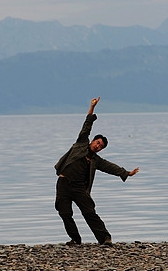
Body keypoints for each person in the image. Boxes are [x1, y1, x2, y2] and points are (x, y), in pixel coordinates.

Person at [54, 97, 139, 246]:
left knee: (89, 213)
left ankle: (105, 238)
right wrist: (92, 107)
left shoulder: (96, 160)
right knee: (65, 213)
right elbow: (86, 126)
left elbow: (110, 167)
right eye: (97, 142)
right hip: (63, 183)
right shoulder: (81, 144)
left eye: (101, 146)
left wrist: (126, 173)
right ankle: (75, 239)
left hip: (80, 188)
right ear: (92, 141)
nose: (98, 146)